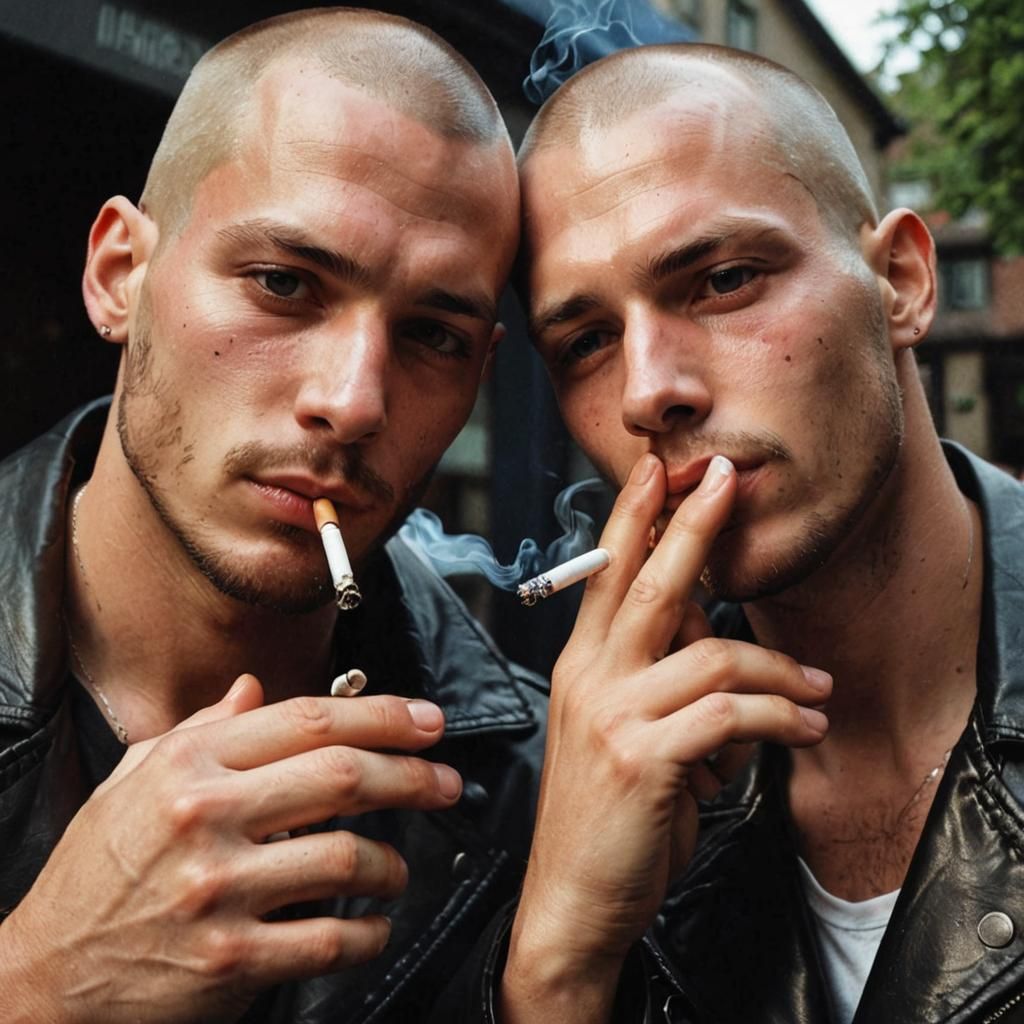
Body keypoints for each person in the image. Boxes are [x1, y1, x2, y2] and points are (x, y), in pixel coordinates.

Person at [439, 44, 1024, 1023]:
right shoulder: (594, 791)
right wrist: (555, 967)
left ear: (901, 281)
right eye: (587, 340)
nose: (648, 391)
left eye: (723, 280)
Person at [0, 9, 546, 1023]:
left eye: (431, 334)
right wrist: (31, 982)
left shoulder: (535, 792)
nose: (353, 401)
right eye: (285, 284)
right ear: (120, 276)